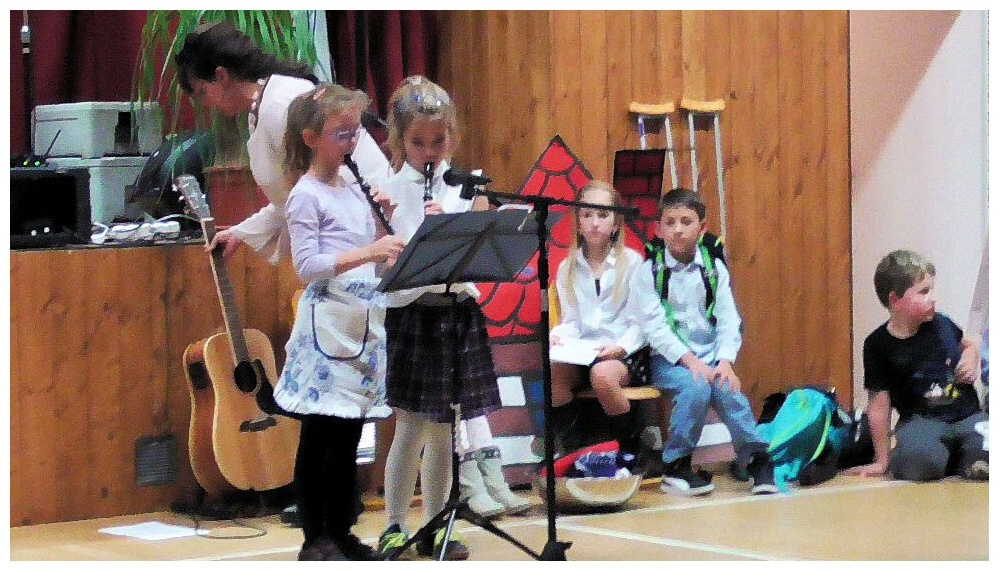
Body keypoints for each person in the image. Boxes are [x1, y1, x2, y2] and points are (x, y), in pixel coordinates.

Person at [375, 75, 529, 561]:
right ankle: (394, 525)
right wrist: (421, 232)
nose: (429, 152)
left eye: (438, 141)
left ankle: (436, 524)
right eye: (418, 142)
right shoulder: (386, 190)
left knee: (447, 428)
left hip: (456, 313)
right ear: (399, 140)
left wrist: (456, 224)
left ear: (452, 137)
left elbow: (479, 256)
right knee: (411, 428)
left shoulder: (467, 185)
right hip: (414, 315)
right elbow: (383, 268)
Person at [273, 82, 405, 560]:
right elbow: (308, 266)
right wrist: (370, 249)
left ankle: (342, 530)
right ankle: (316, 536)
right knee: (321, 435)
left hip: (361, 321)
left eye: (355, 133)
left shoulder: (353, 189)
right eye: (341, 133)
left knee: (350, 433)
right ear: (311, 139)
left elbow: (373, 259)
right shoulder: (305, 195)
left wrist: (382, 228)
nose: (351, 142)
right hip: (327, 325)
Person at [175, 21, 389, 264]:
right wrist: (241, 232)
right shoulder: (263, 107)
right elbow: (292, 197)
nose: (205, 104)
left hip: (367, 234)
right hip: (348, 243)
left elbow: (331, 186)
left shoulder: (280, 104)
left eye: (202, 92)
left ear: (221, 76)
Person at [635, 188, 776, 496]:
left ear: (702, 227)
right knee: (696, 386)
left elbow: (728, 319)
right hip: (669, 359)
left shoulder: (714, 268)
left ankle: (755, 458)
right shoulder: (649, 271)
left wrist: (724, 361)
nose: (678, 229)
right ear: (658, 228)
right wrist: (691, 363)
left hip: (711, 355)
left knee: (727, 390)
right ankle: (676, 463)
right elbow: (655, 329)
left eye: (686, 221)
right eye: (670, 222)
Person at [847, 249, 988, 482]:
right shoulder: (877, 344)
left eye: (932, 290)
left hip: (967, 416)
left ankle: (967, 457)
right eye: (923, 292)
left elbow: (968, 344)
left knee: (987, 447)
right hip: (922, 422)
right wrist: (881, 460)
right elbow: (879, 405)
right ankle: (952, 458)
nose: (933, 298)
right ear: (895, 300)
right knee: (919, 464)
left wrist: (971, 356)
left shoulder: (942, 323)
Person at [547, 180, 649, 464]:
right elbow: (573, 321)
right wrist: (559, 335)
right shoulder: (567, 267)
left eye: (603, 215)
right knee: (553, 376)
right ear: (578, 223)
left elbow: (641, 324)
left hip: (624, 352)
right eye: (587, 215)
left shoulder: (633, 263)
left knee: (603, 376)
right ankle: (574, 448)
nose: (594, 223)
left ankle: (629, 446)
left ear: (615, 224)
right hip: (584, 351)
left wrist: (620, 347)